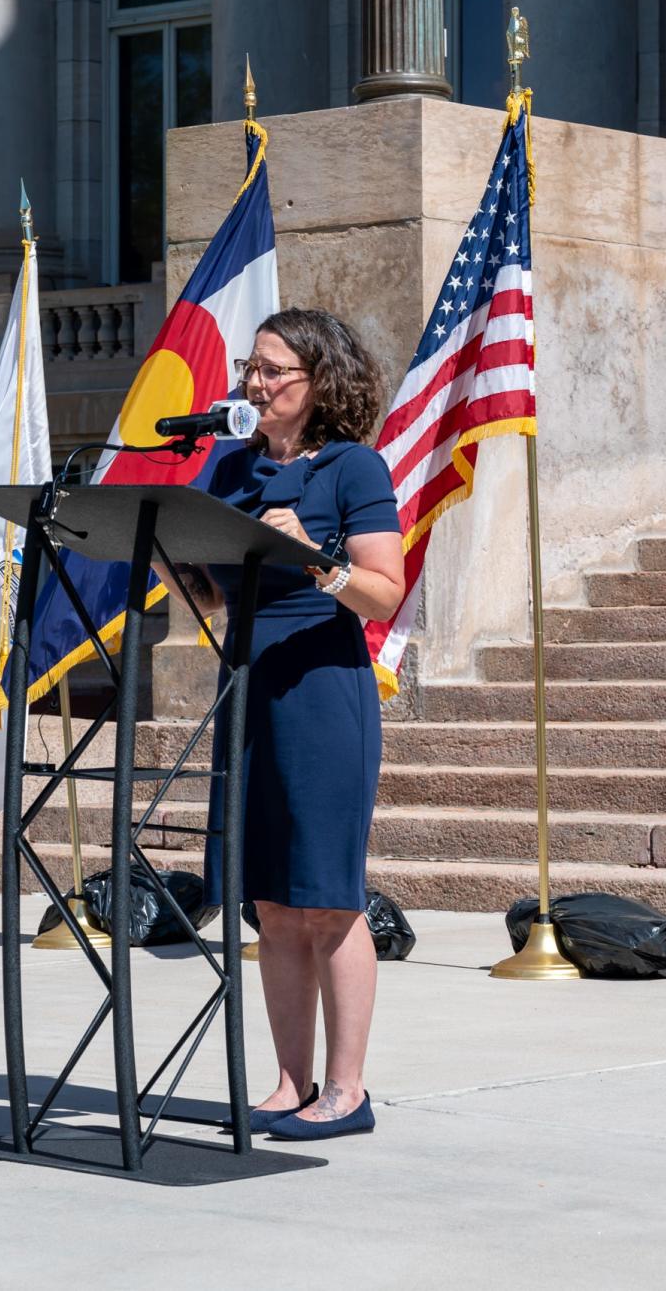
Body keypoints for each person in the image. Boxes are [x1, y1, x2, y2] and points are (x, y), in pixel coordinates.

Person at [155, 308, 404, 1141]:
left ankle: (347, 1089)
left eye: (273, 371)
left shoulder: (352, 468)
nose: (254, 384)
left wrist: (318, 560)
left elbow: (385, 591)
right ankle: (289, 1083)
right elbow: (218, 599)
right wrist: (165, 555)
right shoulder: (228, 471)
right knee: (271, 899)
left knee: (326, 898)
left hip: (324, 690)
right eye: (250, 368)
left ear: (319, 381)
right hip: (248, 686)